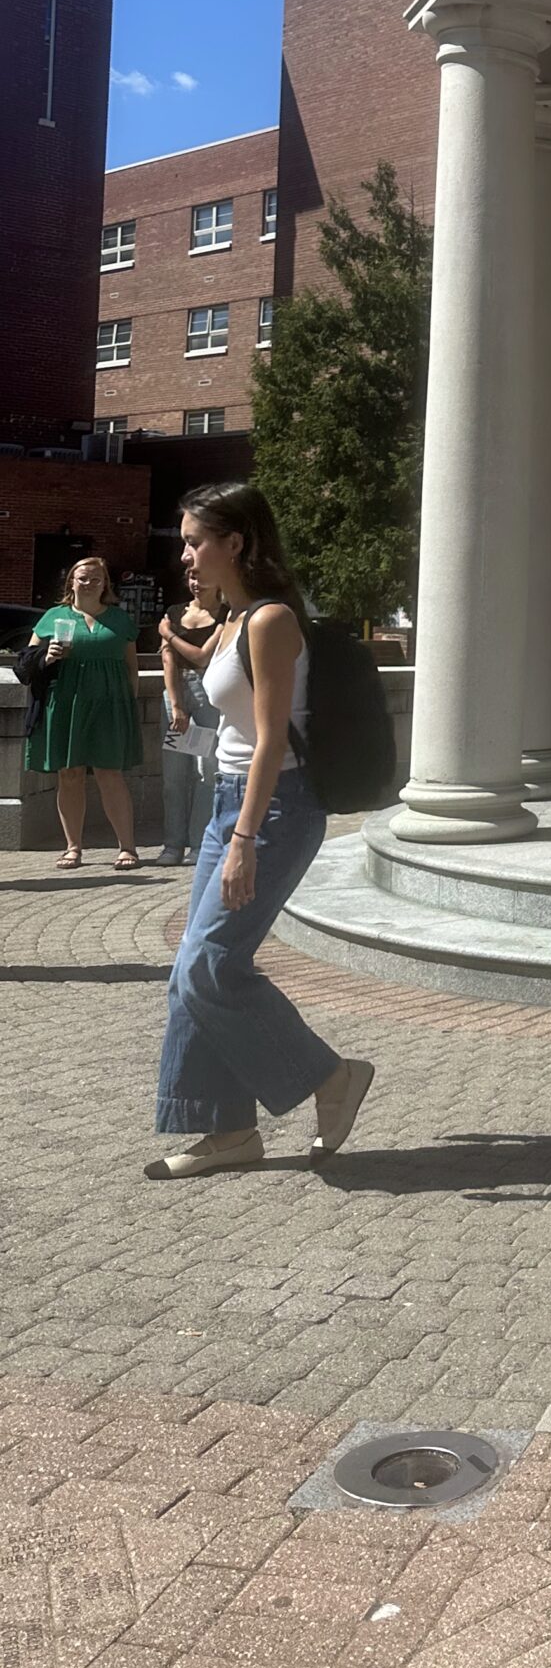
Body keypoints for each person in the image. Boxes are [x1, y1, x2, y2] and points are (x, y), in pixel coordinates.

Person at [147, 481, 374, 1181]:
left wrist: (244, 840)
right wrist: (178, 635)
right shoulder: (236, 619)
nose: (185, 556)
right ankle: (228, 1132)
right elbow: (221, 686)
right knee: (191, 973)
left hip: (273, 809)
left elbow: (273, 738)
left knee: (208, 967)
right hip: (230, 803)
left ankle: (332, 1077)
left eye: (195, 542)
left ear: (235, 542)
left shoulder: (271, 620)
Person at [26, 556, 145, 870]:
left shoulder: (119, 619)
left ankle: (127, 847)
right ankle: (73, 847)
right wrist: (47, 656)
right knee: (70, 774)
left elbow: (131, 669)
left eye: (96, 578)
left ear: (105, 584)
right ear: (71, 582)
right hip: (66, 702)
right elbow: (27, 659)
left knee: (110, 773)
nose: (89, 583)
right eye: (83, 578)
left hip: (110, 704)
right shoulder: (54, 616)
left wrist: (129, 706)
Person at [156, 590, 222, 866]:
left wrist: (168, 634)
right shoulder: (175, 612)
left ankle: (199, 843)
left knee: (206, 771)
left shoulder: (225, 614)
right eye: (191, 576)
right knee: (174, 775)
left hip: (207, 693)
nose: (196, 582)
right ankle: (173, 845)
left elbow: (202, 657)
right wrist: (177, 706)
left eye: (201, 576)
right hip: (176, 693)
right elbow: (168, 659)